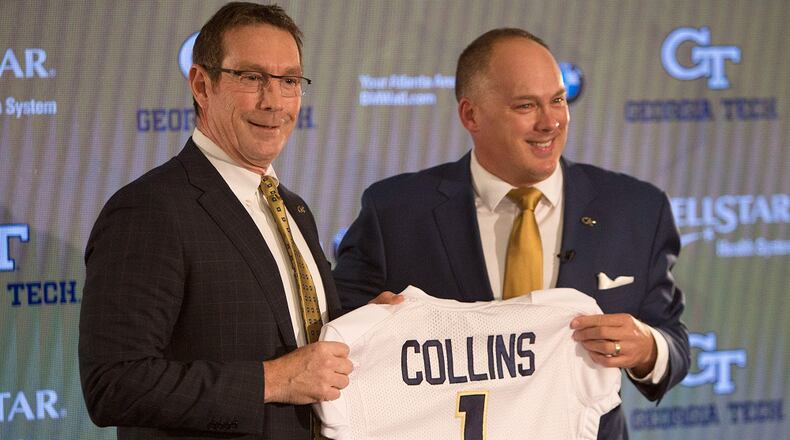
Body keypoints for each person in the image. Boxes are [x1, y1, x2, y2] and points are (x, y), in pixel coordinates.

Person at [333, 28, 690, 439]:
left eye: (558, 100)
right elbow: (338, 337)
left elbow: (674, 345)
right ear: (471, 115)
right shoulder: (394, 211)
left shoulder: (636, 209)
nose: (550, 121)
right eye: (526, 106)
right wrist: (371, 328)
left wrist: (647, 348)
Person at [79, 3, 350, 439]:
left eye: (289, 81)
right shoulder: (149, 210)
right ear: (202, 85)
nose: (275, 101)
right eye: (251, 77)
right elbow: (113, 384)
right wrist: (273, 380)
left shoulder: (293, 208)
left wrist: (375, 324)